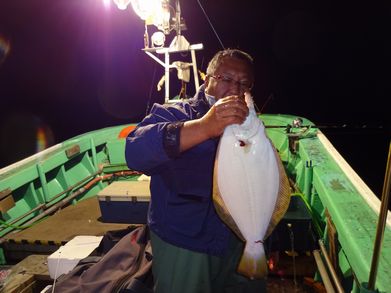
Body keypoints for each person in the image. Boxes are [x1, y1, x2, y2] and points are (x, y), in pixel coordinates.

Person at [125, 49, 266, 292]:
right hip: (186, 243)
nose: (235, 89)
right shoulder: (176, 113)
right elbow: (135, 151)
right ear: (207, 79)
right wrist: (204, 127)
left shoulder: (251, 124)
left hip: (240, 241)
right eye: (226, 79)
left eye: (244, 84)